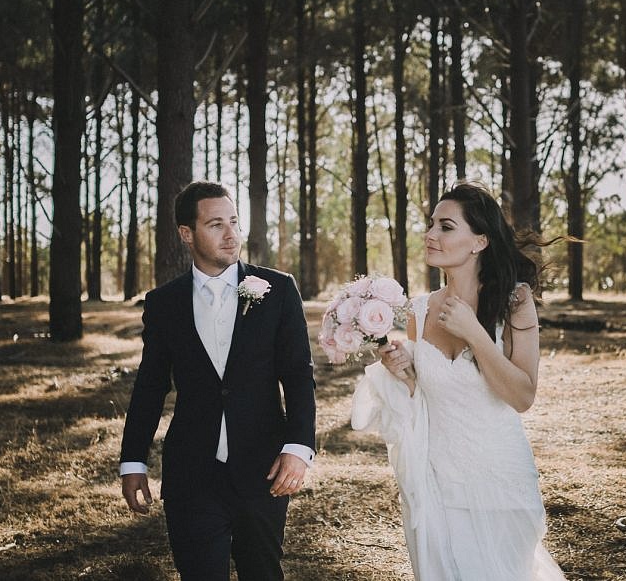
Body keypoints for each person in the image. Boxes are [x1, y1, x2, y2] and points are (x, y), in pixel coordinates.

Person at [351, 182, 566, 580]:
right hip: (437, 482)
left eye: (446, 227)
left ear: (479, 241)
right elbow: (426, 399)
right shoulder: (420, 309)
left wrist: (474, 332)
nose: (431, 235)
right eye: (431, 224)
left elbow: (522, 396)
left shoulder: (515, 301)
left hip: (500, 481)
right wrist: (405, 373)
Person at [119, 181, 316, 581]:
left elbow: (298, 374)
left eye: (234, 222)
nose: (231, 235)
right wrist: (133, 460)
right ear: (186, 234)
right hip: (192, 474)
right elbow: (151, 386)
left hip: (263, 470)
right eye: (215, 225)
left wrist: (298, 447)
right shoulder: (164, 303)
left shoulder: (277, 290)